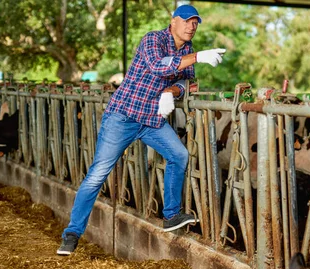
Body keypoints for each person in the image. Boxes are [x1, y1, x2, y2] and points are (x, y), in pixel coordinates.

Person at [57, 4, 226, 256]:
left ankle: (170, 214)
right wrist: (199, 56)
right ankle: (72, 233)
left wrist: (172, 91)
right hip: (122, 116)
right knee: (97, 174)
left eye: (195, 22)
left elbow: (187, 81)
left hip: (151, 120)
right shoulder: (153, 39)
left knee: (179, 155)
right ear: (173, 21)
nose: (192, 26)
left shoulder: (187, 49)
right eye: (187, 21)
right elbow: (158, 66)